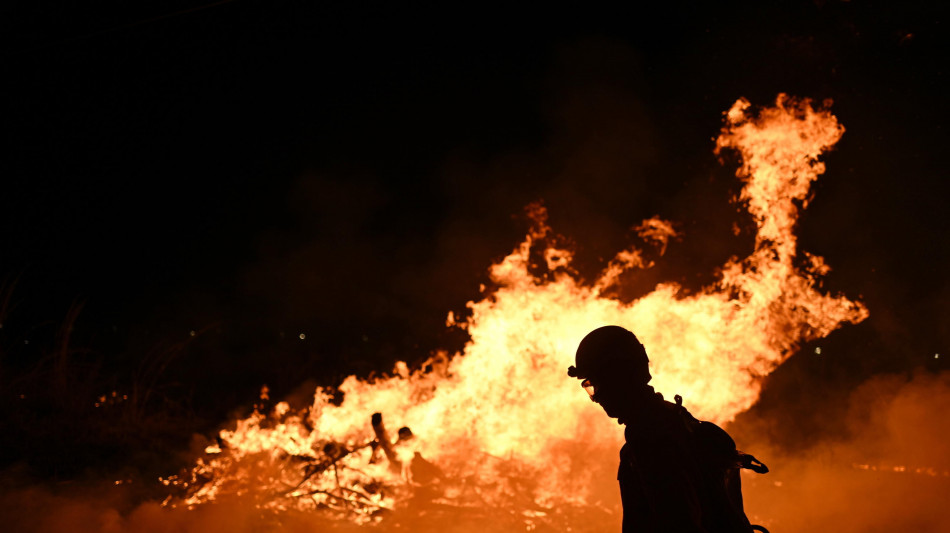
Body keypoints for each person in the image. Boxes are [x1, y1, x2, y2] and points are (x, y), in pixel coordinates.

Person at [568, 325, 768, 533]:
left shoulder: (649, 439)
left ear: (618, 377)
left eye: (596, 383)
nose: (596, 396)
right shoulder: (677, 420)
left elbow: (678, 523)